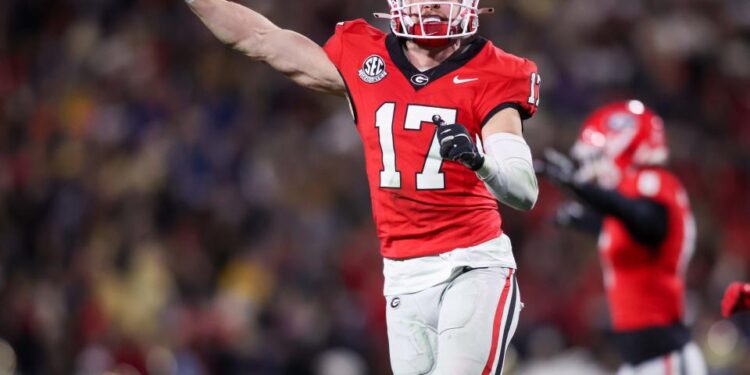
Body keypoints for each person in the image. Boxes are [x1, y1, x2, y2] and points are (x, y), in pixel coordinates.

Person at [185, 0, 541, 373]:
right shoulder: (363, 54)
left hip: (472, 265)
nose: (434, 3)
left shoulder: (495, 70)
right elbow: (259, 38)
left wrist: (479, 161)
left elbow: (524, 190)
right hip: (402, 273)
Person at [537, 100, 707, 375]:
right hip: (639, 363)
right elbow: (622, 228)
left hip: (666, 359)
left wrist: (576, 185)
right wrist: (582, 219)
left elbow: (646, 223)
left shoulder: (656, 182)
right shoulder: (629, 203)